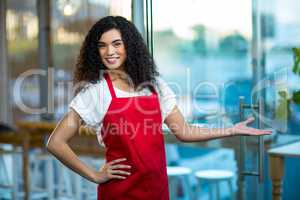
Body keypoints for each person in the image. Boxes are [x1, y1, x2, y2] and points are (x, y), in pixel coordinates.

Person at [46, 16, 271, 200]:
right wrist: (94, 175)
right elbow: (55, 142)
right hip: (119, 192)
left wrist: (231, 129)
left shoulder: (155, 86)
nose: (109, 52)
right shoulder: (96, 93)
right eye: (102, 46)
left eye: (117, 43)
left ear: (130, 46)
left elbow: (184, 131)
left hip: (157, 191)